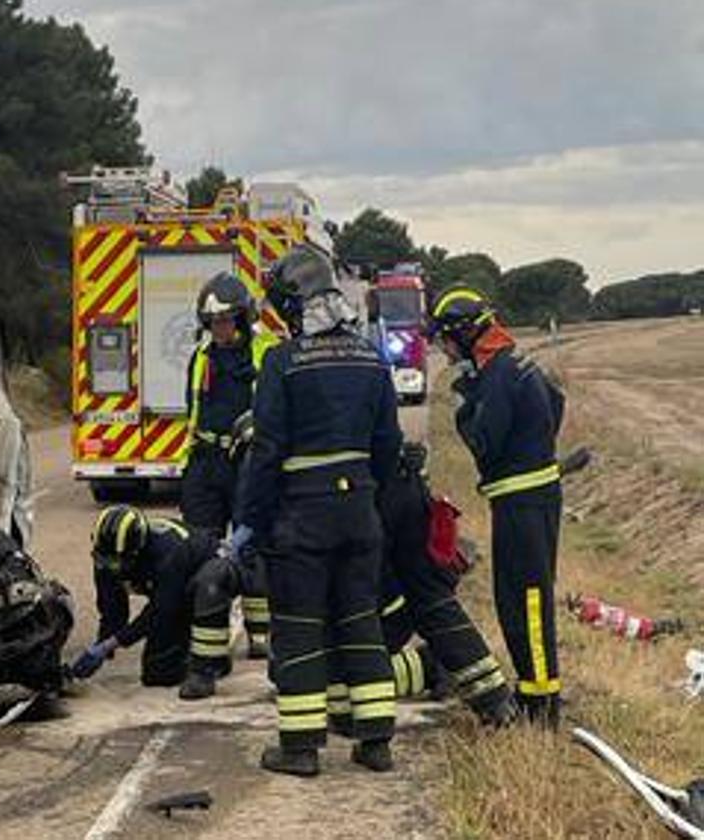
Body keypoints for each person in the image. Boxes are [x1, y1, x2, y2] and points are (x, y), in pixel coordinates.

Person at [234, 246, 402, 778]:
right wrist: (366, 495)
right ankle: (375, 742)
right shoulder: (372, 357)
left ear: (293, 302)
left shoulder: (282, 362)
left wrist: (249, 521)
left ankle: (301, 748)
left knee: (300, 627)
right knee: (361, 620)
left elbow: (266, 452)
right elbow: (389, 442)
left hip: (301, 518)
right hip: (359, 513)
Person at [427, 286, 564, 728]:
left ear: (465, 334)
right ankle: (533, 693)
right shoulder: (514, 362)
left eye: (447, 342)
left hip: (523, 502)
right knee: (518, 600)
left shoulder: (496, 375)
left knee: (526, 603)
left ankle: (541, 707)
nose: (445, 353)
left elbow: (484, 441)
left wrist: (467, 400)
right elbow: (557, 403)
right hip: (529, 496)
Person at [360, 442, 517, 726]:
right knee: (431, 599)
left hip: (355, 497)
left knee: (310, 678)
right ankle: (487, 695)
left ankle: (446, 672)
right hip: (398, 484)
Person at [181, 271, 278, 657]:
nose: (219, 328)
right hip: (206, 463)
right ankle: (208, 636)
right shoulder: (200, 357)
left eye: (226, 320)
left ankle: (260, 634)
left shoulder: (264, 353)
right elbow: (194, 410)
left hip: (249, 463)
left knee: (252, 545)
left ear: (242, 318)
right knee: (201, 547)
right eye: (213, 322)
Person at [72, 505, 239, 695]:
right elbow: (112, 607)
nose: (113, 568)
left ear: (138, 549)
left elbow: (160, 610)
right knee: (158, 672)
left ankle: (210, 664)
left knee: (204, 588)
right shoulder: (105, 556)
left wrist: (110, 644)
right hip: (173, 587)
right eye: (106, 561)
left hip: (211, 573)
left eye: (118, 561)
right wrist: (102, 646)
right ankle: (188, 651)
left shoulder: (169, 554)